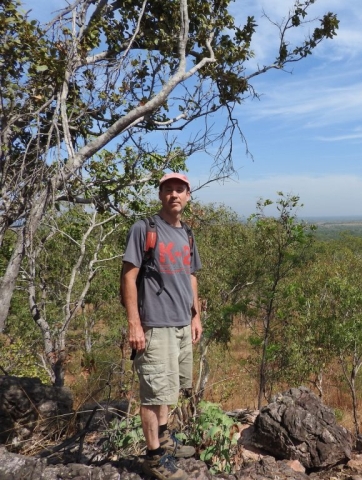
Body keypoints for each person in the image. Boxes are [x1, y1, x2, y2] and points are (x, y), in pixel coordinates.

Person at [121, 172, 202, 480]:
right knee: (154, 392)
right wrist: (135, 325)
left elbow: (191, 276)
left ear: (188, 196)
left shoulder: (188, 234)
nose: (174, 194)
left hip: (182, 322)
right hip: (155, 323)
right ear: (160, 195)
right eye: (168, 189)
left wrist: (196, 315)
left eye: (180, 189)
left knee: (169, 389)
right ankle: (154, 458)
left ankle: (165, 438)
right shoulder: (144, 229)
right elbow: (129, 276)